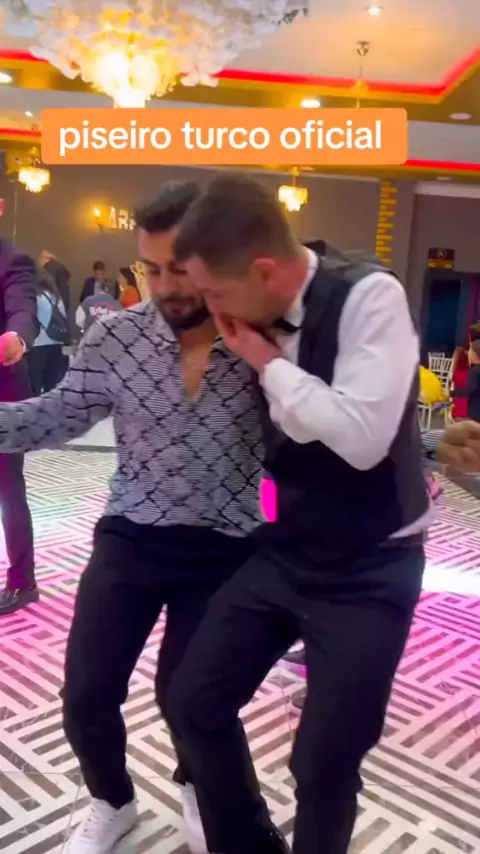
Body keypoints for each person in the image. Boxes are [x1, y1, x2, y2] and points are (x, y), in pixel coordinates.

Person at [0, 181, 285, 854]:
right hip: (132, 533)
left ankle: (197, 782)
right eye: (149, 269)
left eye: (178, 269)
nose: (163, 287)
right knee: (86, 691)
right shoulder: (116, 338)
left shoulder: (259, 342)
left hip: (224, 545)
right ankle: (112, 798)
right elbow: (57, 415)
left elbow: (313, 432)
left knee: (189, 696)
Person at [162, 172, 434, 854]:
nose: (213, 311)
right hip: (286, 548)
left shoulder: (370, 295)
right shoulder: (248, 308)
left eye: (217, 294)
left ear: (263, 270)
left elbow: (363, 441)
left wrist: (264, 359)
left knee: (324, 762)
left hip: (374, 564)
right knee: (193, 702)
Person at [0, 239, 39, 616]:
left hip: (4, 388)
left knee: (8, 487)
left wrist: (17, 336)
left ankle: (22, 581)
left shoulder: (13, 260)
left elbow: (23, 309)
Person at [26, 267, 69, 396]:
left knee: (34, 381)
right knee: (51, 381)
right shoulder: (57, 298)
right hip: (56, 342)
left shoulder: (37, 298)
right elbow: (64, 317)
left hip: (38, 344)